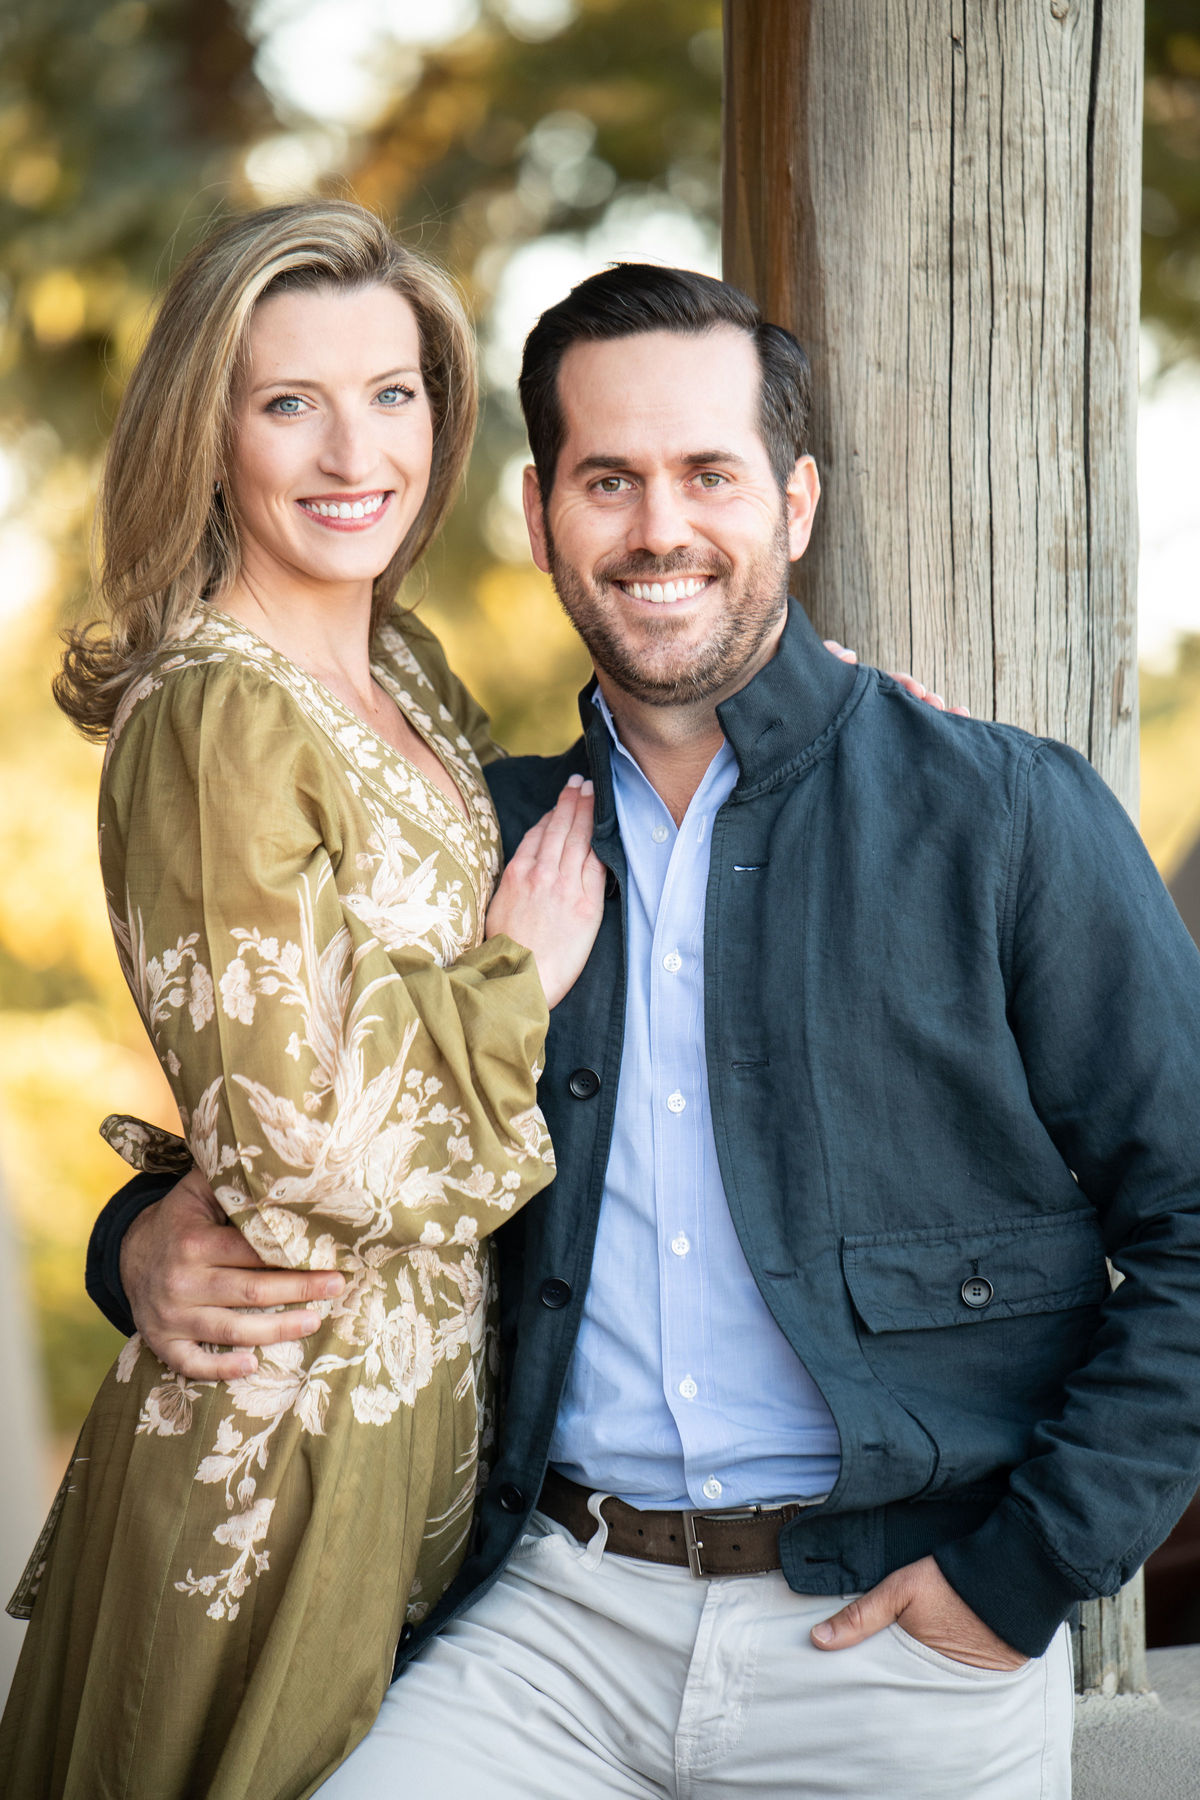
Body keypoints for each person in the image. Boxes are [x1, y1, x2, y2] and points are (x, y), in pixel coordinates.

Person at [87, 264, 1200, 1798]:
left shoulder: (998, 817)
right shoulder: (491, 842)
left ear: (795, 503)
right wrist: (138, 1241)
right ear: (540, 515)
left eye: (709, 475)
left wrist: (1024, 1578)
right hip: (546, 1621)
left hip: (894, 1635)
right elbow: (303, 1097)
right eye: (609, 480)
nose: (660, 528)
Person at [0, 201, 607, 1800]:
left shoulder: (405, 676)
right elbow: (301, 1147)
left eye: (392, 394)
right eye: (290, 403)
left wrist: (848, 721)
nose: (356, 453)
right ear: (209, 436)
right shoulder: (217, 715)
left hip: (425, 1440)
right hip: (274, 1457)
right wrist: (517, 984)